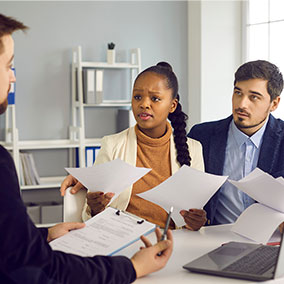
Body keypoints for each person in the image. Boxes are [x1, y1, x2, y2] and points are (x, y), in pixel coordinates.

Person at [0, 13, 173, 284]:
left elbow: (10, 244)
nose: (13, 78)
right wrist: (131, 268)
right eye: (9, 66)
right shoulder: (1, 163)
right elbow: (39, 265)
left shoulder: (192, 147)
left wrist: (43, 235)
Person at [61, 62, 207, 231]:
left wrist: (195, 222)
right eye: (138, 97)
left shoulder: (194, 149)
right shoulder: (112, 145)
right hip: (122, 240)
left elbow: (193, 218)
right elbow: (90, 215)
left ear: (172, 105)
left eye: (155, 99)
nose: (144, 104)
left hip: (172, 242)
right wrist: (95, 208)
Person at [188, 60, 284, 227]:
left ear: (274, 103)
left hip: (273, 241)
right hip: (215, 241)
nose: (241, 104)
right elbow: (186, 195)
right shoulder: (201, 136)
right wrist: (193, 217)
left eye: (254, 97)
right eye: (238, 93)